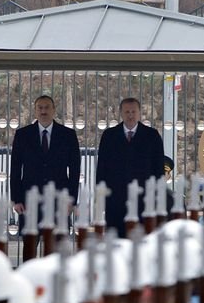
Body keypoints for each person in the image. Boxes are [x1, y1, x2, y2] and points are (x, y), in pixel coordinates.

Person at [10, 95, 81, 230]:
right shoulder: (22, 135)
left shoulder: (68, 135)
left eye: (47, 107)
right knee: (30, 241)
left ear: (54, 110)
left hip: (59, 200)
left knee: (59, 241)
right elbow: (15, 169)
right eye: (40, 108)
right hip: (29, 200)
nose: (43, 111)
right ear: (35, 111)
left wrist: (71, 200)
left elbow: (74, 170)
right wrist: (16, 199)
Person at [96, 98, 165, 238]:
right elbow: (102, 168)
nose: (130, 115)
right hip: (116, 200)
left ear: (139, 113)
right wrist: (101, 195)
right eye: (127, 112)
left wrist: (158, 196)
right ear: (121, 113)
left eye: (134, 112)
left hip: (144, 200)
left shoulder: (152, 135)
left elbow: (158, 169)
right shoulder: (109, 136)